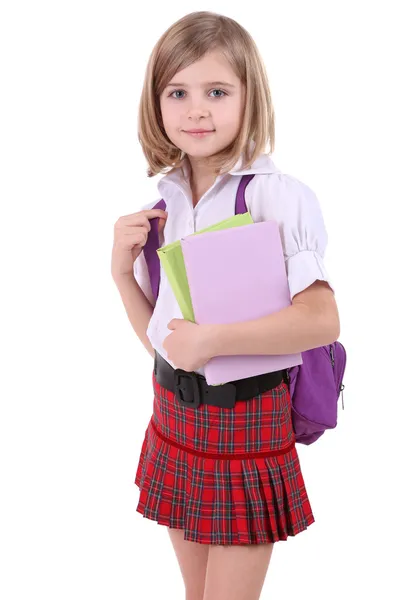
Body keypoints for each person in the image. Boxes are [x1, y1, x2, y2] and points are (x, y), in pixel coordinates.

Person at [111, 10, 340, 600]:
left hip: (245, 422)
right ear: (156, 103)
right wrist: (120, 273)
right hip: (173, 413)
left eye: (217, 91)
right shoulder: (164, 202)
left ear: (249, 98)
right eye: (178, 92)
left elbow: (322, 319)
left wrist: (212, 341)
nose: (196, 110)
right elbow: (167, 343)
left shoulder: (275, 196)